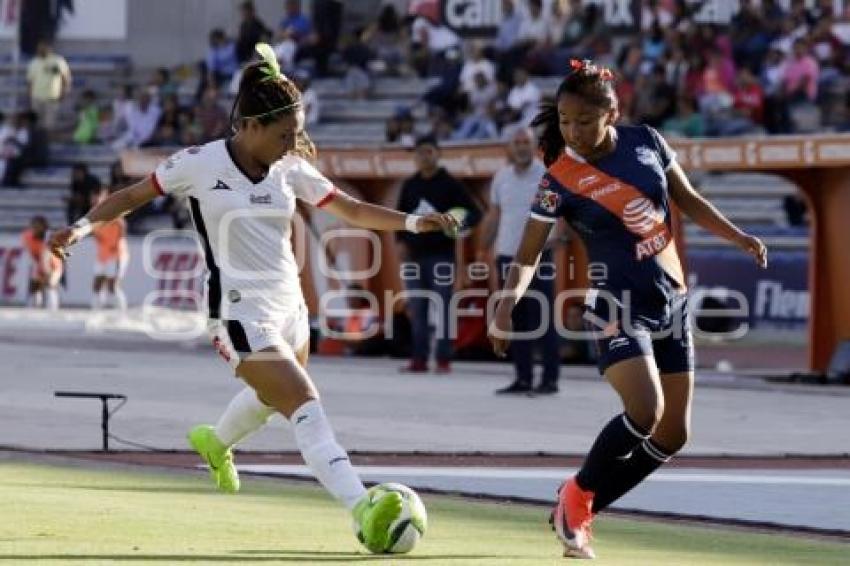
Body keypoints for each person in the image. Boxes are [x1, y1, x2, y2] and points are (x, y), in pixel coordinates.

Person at [49, 43, 457, 554]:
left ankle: (215, 444)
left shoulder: (289, 168)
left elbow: (350, 209)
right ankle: (361, 506)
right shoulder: (198, 163)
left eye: (296, 133)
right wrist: (81, 228)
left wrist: (418, 222)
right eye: (285, 134)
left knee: (272, 400)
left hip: (291, 309)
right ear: (251, 126)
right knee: (304, 404)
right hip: (238, 312)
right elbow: (131, 196)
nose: (293, 143)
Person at [487, 60, 767, 559]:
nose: (572, 131)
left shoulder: (649, 143)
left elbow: (690, 200)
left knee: (674, 432)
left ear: (611, 114)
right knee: (645, 409)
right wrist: (505, 308)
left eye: (583, 121)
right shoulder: (559, 179)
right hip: (614, 304)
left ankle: (579, 507)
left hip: (672, 300)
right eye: (566, 122)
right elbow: (528, 253)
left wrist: (739, 236)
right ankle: (576, 497)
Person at [481, 126, 559, 395]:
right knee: (515, 319)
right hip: (506, 256)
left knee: (543, 319)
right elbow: (495, 214)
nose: (521, 147)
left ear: (534, 146)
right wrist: (484, 245)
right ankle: (522, 378)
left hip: (538, 256)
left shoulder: (547, 176)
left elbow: (558, 215)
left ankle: (549, 379)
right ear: (510, 148)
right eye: (517, 143)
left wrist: (553, 240)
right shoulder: (501, 177)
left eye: (526, 142)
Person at [396, 134, 482, 374]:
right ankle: (419, 359)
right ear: (415, 157)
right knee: (418, 308)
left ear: (437, 154)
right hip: (413, 256)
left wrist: (456, 225)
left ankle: (443, 358)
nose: (424, 156)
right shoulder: (410, 184)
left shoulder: (450, 184)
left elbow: (475, 214)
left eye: (429, 152)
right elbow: (399, 218)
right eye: (420, 152)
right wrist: (400, 241)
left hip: (441, 258)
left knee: (444, 308)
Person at [91, 188, 129, 311]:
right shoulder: (93, 215)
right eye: (94, 196)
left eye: (99, 196)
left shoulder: (113, 211)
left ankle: (121, 310)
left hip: (117, 254)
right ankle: (97, 309)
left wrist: (117, 244)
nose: (96, 199)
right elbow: (96, 234)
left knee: (113, 285)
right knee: (97, 282)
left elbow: (122, 226)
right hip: (103, 255)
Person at [26, 40, 72, 131]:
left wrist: (64, 92)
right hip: (37, 97)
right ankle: (37, 142)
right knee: (36, 123)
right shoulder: (34, 62)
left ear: (49, 48)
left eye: (44, 47)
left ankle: (47, 143)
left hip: (52, 97)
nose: (41, 50)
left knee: (49, 124)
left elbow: (65, 78)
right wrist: (30, 96)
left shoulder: (58, 60)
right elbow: (30, 81)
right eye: (40, 48)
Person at [22, 215, 63, 311]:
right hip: (39, 263)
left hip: (53, 264)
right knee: (35, 286)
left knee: (51, 284)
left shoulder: (50, 237)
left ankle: (53, 309)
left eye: (38, 226)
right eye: (34, 226)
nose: (35, 229)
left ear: (44, 227)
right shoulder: (27, 236)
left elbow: (48, 255)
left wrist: (47, 270)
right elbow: (30, 252)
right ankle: (33, 308)